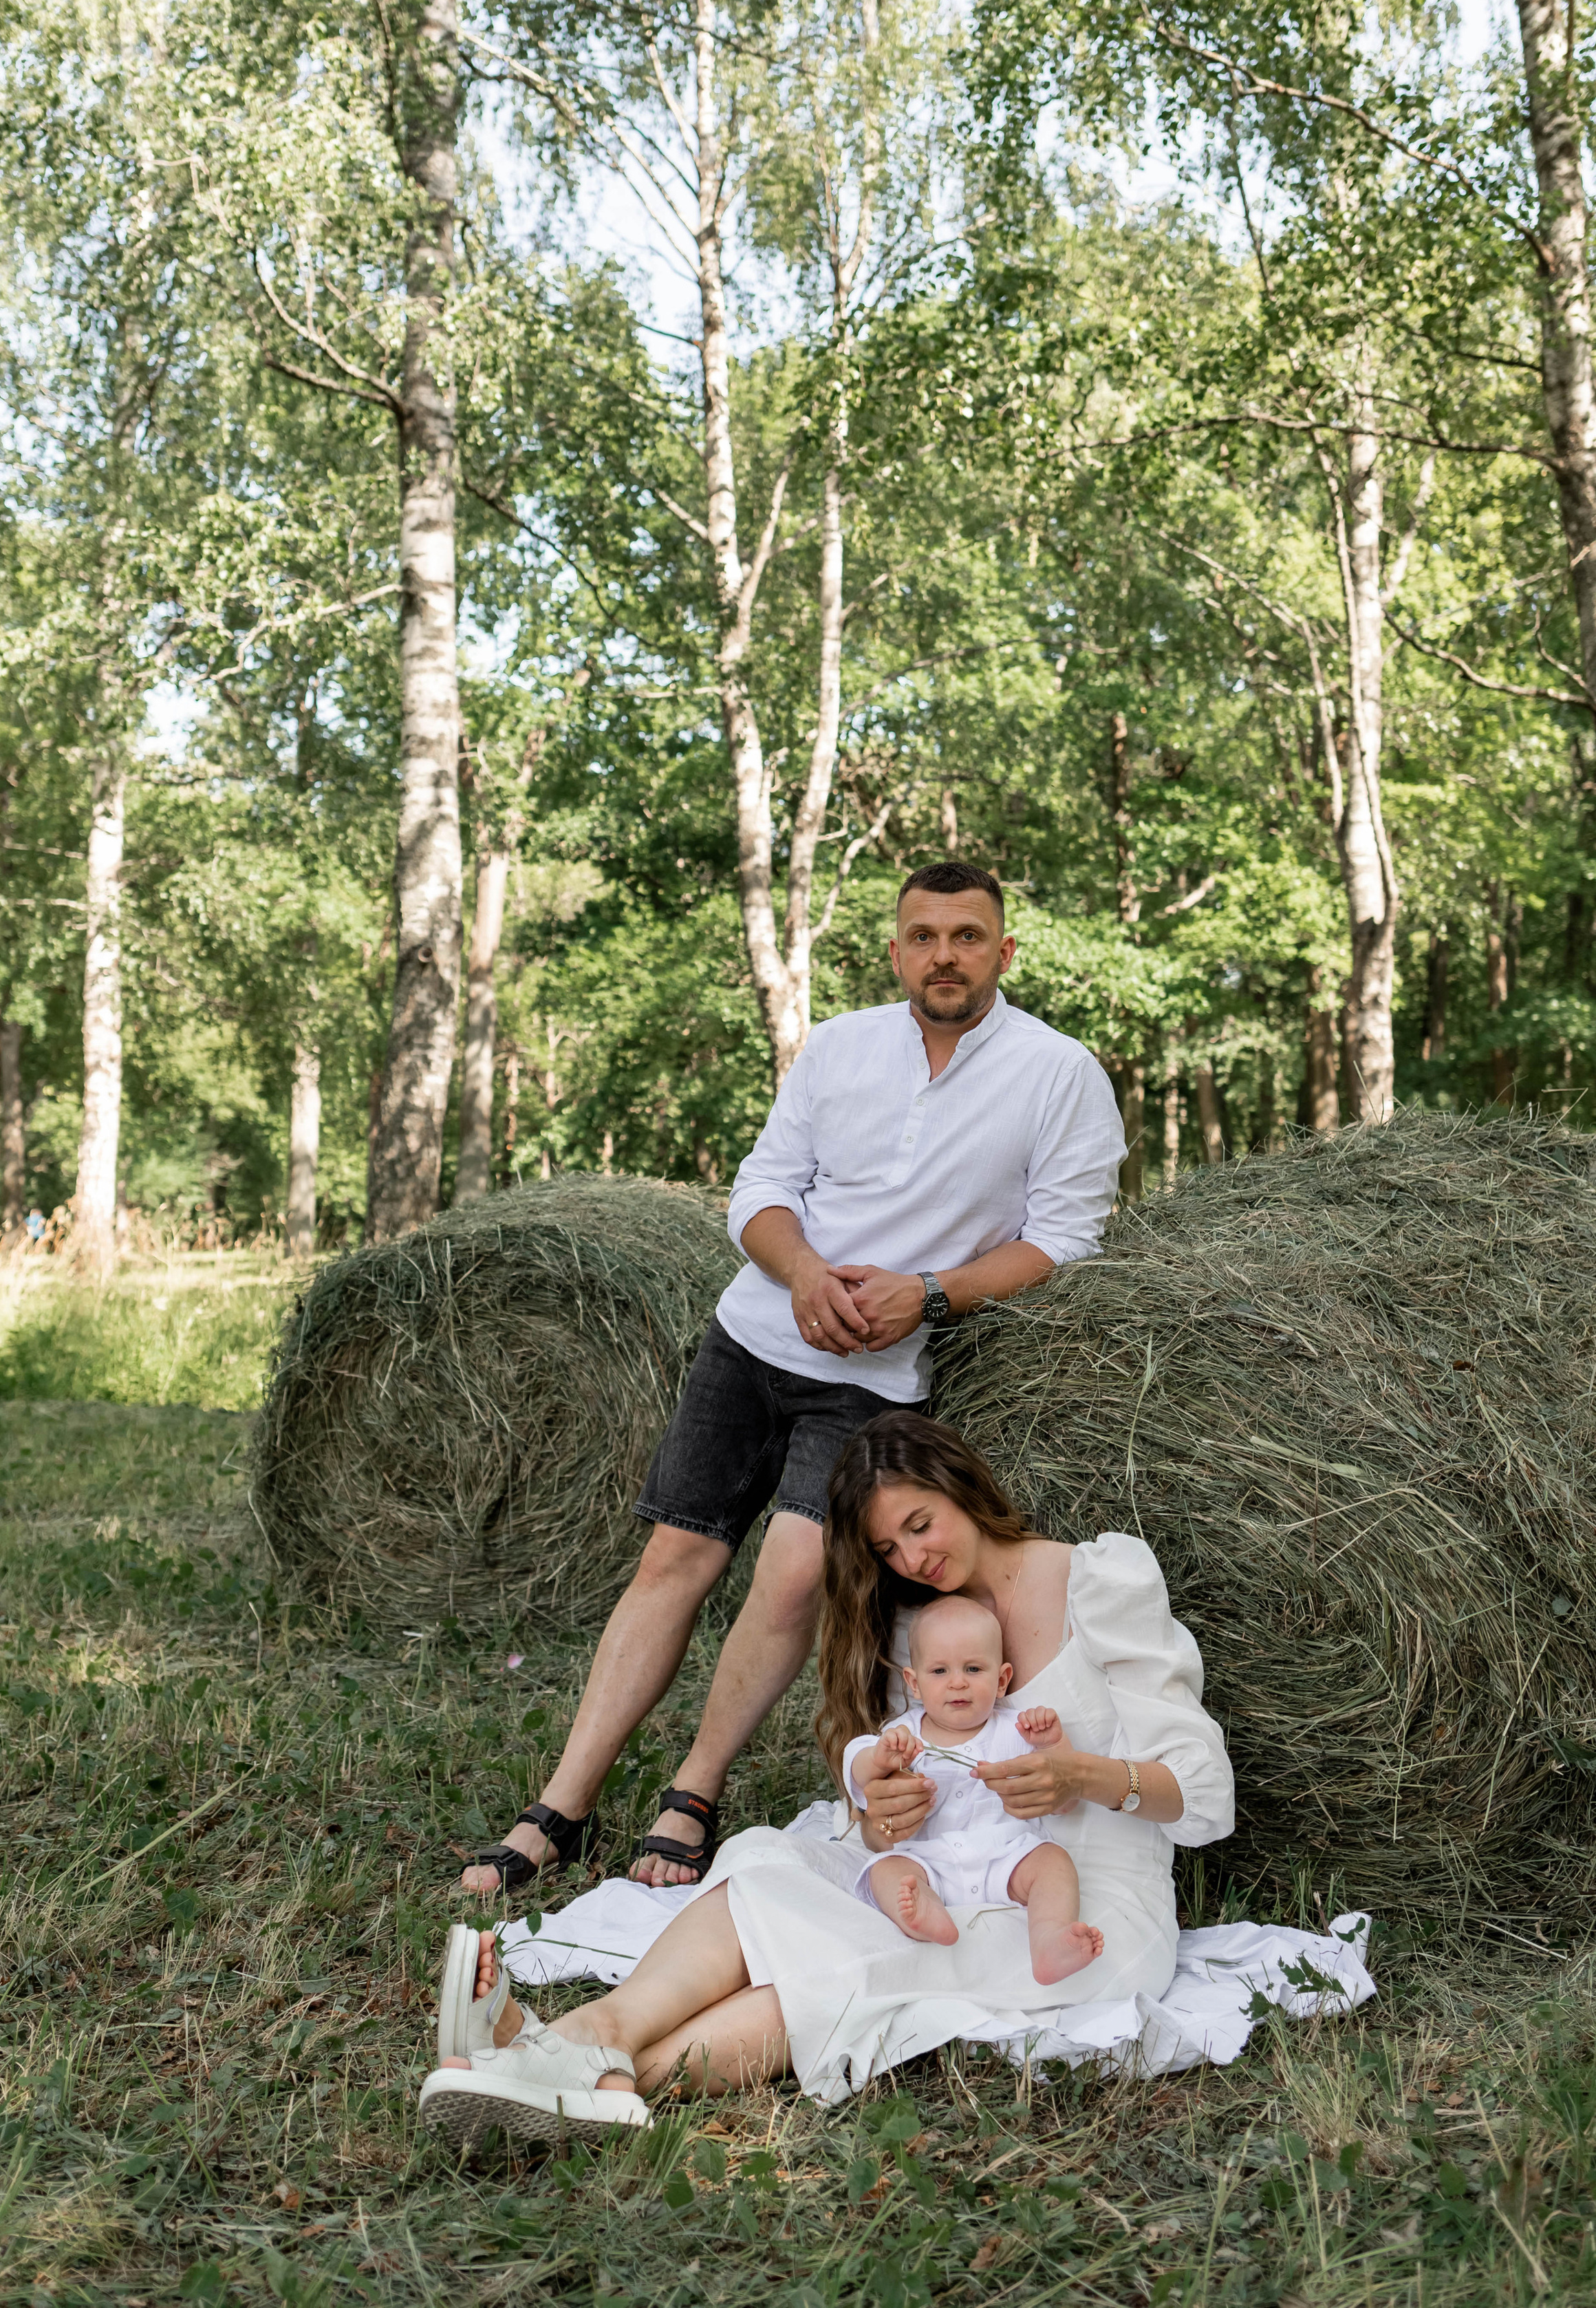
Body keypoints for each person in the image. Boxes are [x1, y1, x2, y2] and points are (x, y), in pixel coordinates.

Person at [459, 862, 1125, 1899]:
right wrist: (804, 1271)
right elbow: (763, 1189)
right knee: (674, 1555)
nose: (943, 954)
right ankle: (562, 1804)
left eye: (965, 936)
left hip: (879, 1376)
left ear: (1004, 952)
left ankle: (693, 1791)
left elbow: (1066, 1238)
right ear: (896, 949)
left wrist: (933, 1295)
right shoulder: (841, 1048)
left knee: (794, 1574)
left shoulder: (1059, 1072)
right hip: (755, 1333)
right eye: (922, 935)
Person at [421, 1413, 1234, 2135]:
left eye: (922, 1524)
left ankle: (553, 2059)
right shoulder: (917, 1628)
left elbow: (1201, 1794)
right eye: (888, 1548)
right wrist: (886, 1810)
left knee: (848, 1957)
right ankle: (586, 2041)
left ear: (963, 1486)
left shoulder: (1099, 1579)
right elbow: (884, 1813)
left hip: (1079, 1899)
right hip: (945, 1866)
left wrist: (1083, 1776)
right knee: (770, 1876)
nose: (915, 1557)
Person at [845, 1594, 1103, 1976]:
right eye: (939, 1672)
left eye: (972, 1669)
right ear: (914, 1684)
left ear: (1001, 1680)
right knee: (887, 1870)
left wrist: (1052, 1744)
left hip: (1007, 1858)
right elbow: (857, 1764)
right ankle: (924, 1913)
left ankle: (1049, 1940)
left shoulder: (1015, 1731)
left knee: (1053, 1862)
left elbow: (1063, 1801)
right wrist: (881, 1759)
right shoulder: (903, 1736)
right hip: (927, 1860)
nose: (957, 1684)